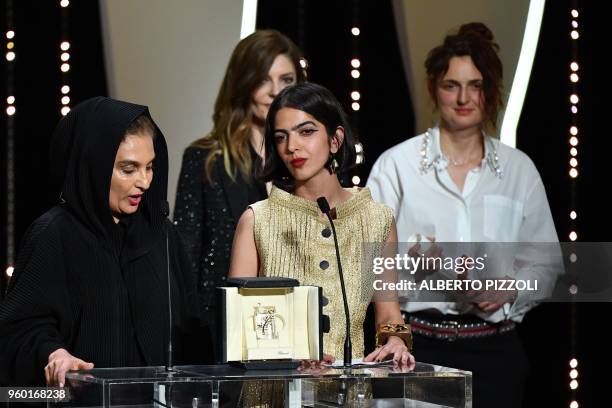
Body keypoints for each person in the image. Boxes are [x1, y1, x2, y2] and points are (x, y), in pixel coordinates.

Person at [367, 23, 559, 407]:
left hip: (495, 351)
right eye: (451, 85)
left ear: (491, 92)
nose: (463, 98)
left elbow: (547, 264)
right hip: (415, 349)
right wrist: (409, 259)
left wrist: (511, 287)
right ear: (434, 89)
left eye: (475, 85)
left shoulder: (519, 170)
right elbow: (367, 261)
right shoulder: (396, 165)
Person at [0, 97, 202, 387]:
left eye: (150, 167)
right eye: (129, 169)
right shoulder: (53, 234)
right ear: (93, 166)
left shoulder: (162, 235)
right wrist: (55, 354)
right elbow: (21, 332)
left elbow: (191, 331)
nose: (144, 182)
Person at [230, 82, 414, 367]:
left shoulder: (377, 220)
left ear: (335, 139)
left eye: (306, 131)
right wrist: (289, 355)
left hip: (348, 390)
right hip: (275, 391)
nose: (292, 147)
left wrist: (396, 340)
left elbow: (389, 315)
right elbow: (239, 325)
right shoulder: (257, 220)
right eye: (281, 137)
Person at [173, 30, 306, 359]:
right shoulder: (206, 159)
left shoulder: (307, 160)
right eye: (264, 79)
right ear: (243, 83)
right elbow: (186, 256)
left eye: (286, 79)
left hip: (297, 331)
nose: (276, 92)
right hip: (220, 333)